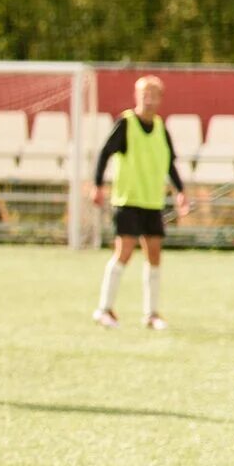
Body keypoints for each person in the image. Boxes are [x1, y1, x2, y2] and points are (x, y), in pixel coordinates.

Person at [90, 75, 188, 331]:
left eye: (154, 94)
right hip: (128, 199)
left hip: (152, 201)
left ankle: (151, 314)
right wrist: (98, 185)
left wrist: (180, 191)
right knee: (123, 252)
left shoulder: (160, 128)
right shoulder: (125, 123)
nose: (149, 99)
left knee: (154, 255)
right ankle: (104, 308)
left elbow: (169, 163)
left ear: (160, 99)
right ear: (137, 96)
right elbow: (104, 152)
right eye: (144, 94)